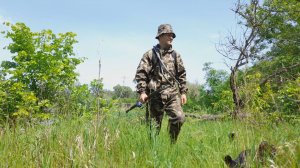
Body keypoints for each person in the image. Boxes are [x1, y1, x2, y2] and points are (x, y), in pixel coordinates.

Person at [134, 24, 188, 143]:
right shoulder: (150, 54)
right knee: (153, 129)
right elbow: (141, 73)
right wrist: (142, 92)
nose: (171, 37)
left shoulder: (175, 55)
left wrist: (183, 92)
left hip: (172, 94)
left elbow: (182, 74)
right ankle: (153, 151)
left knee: (179, 118)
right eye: (168, 34)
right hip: (154, 96)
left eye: (172, 35)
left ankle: (171, 144)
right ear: (160, 36)